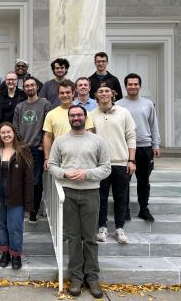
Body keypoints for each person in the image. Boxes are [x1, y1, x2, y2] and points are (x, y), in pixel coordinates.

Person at [48, 105, 111, 298]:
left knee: (90, 237)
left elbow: (106, 168)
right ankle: (76, 277)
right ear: (69, 118)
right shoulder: (60, 141)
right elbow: (51, 165)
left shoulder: (98, 141)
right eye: (72, 115)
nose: (76, 118)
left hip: (91, 193)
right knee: (73, 237)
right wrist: (65, 173)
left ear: (85, 117)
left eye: (79, 115)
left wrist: (87, 174)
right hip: (68, 194)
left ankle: (92, 277)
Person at [0, 122, 34, 270]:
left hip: (16, 196)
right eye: (3, 133)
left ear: (14, 133)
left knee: (15, 226)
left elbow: (29, 179)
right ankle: (5, 253)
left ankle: (16, 255)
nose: (6, 135)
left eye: (8, 132)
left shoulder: (23, 150)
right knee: (2, 225)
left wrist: (29, 203)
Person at [91, 82, 136, 244]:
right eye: (100, 91)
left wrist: (131, 160)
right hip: (100, 164)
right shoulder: (91, 114)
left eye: (106, 91)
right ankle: (102, 227)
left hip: (121, 162)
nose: (103, 93)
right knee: (100, 198)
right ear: (96, 95)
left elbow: (131, 136)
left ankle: (119, 228)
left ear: (112, 94)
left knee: (121, 197)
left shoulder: (124, 112)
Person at [117, 73, 161, 222]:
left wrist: (156, 144)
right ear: (126, 86)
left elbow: (153, 125)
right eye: (130, 84)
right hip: (126, 148)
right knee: (124, 182)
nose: (133, 87)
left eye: (136, 84)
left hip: (144, 147)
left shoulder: (148, 104)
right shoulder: (118, 105)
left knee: (143, 181)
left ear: (140, 86)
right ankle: (125, 210)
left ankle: (144, 209)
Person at [13, 77, 51, 223]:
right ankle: (23, 208)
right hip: (22, 149)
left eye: (32, 85)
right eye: (27, 86)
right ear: (24, 88)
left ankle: (33, 210)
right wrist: (19, 145)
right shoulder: (20, 107)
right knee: (21, 180)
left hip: (37, 149)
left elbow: (49, 126)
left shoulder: (45, 104)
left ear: (37, 87)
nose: (29, 88)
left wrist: (43, 144)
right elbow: (15, 127)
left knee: (35, 181)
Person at [43, 80, 94, 170]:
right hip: (60, 159)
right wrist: (47, 158)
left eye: (68, 92)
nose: (65, 95)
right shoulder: (51, 114)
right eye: (62, 93)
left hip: (82, 158)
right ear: (58, 95)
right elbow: (48, 137)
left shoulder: (83, 112)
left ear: (73, 93)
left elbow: (90, 133)